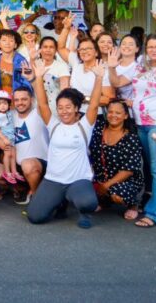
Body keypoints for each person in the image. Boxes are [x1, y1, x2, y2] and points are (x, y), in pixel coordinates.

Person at [107, 34, 156, 228]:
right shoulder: (140, 67)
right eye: (150, 47)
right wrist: (111, 66)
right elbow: (116, 83)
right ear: (146, 49)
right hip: (141, 124)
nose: (154, 50)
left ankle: (154, 214)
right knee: (151, 167)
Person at [26, 59, 104, 228]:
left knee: (87, 202)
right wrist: (38, 78)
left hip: (78, 180)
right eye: (60, 107)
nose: (63, 111)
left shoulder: (84, 126)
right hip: (54, 180)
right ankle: (59, 203)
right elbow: (42, 104)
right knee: (35, 217)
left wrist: (99, 78)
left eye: (68, 107)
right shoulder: (54, 125)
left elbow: (94, 105)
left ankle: (84, 213)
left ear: (76, 108)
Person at [89, 99, 144, 221]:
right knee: (83, 194)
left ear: (125, 116)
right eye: (110, 112)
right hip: (100, 178)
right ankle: (104, 201)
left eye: (118, 113)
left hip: (125, 181)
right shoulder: (98, 130)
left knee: (117, 193)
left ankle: (133, 205)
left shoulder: (131, 138)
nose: (113, 115)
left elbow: (128, 171)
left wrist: (106, 185)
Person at [10, 86, 50, 205]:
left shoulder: (38, 113)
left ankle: (36, 194)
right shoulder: (10, 115)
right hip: (18, 166)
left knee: (28, 165)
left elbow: (43, 102)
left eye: (24, 99)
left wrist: (34, 80)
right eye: (16, 100)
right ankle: (23, 188)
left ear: (31, 99)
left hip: (39, 164)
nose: (20, 103)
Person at [28, 37, 70, 115]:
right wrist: (32, 59)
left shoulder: (62, 66)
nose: (48, 50)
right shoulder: (35, 63)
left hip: (55, 109)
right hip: (35, 108)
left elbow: (65, 90)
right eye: (45, 47)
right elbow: (31, 79)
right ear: (40, 49)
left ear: (55, 50)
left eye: (51, 47)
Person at [0, 90, 22, 184]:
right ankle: (7, 173)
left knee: (13, 154)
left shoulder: (8, 113)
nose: (2, 106)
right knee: (7, 153)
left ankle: (14, 171)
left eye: (5, 103)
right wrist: (3, 138)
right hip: (2, 137)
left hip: (10, 137)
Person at [0, 29, 32, 95]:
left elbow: (27, 85)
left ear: (15, 45)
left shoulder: (22, 62)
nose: (7, 43)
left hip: (17, 102)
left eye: (11, 40)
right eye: (4, 40)